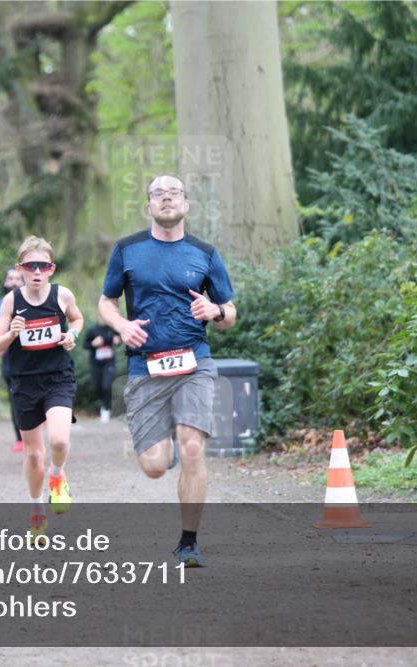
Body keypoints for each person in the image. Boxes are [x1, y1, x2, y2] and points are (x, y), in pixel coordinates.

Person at [97, 173, 236, 568]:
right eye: (158, 193)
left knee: (194, 445)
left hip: (194, 361)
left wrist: (216, 310)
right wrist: (121, 325)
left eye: (174, 193)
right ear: (149, 206)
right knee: (155, 466)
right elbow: (105, 303)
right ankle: (166, 447)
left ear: (187, 204)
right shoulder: (127, 250)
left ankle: (189, 542)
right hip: (146, 367)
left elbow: (230, 313)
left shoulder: (205, 253)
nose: (166, 198)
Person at [0, 236, 83, 543]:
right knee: (33, 456)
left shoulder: (62, 295)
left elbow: (77, 319)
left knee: (58, 440)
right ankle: (37, 512)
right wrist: (11, 334)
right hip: (24, 381)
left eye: (43, 265)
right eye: (31, 266)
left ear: (52, 268)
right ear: (21, 269)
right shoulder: (11, 301)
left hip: (57, 377)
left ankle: (58, 476)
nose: (37, 271)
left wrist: (73, 335)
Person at [0, 266, 25, 452]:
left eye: (18, 278)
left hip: (35, 360)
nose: (14, 282)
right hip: (10, 361)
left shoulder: (36, 302)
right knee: (15, 399)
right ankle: (20, 439)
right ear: (5, 283)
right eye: (11, 278)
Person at [82, 314, 121, 423]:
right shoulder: (92, 330)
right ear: (98, 317)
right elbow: (85, 345)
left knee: (107, 386)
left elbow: (120, 340)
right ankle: (104, 406)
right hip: (96, 364)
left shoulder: (112, 329)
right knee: (98, 387)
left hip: (109, 363)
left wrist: (118, 340)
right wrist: (93, 344)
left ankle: (106, 409)